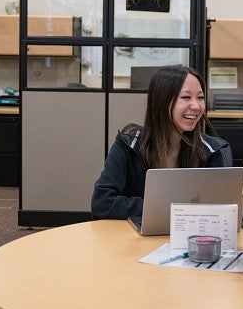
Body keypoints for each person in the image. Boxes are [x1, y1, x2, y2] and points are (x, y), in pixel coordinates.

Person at [90, 65, 232, 220]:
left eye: (200, 97)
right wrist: (170, 207)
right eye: (186, 97)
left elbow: (231, 206)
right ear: (161, 102)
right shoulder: (128, 145)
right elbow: (102, 204)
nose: (197, 106)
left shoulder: (213, 150)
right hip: (135, 239)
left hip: (192, 239)